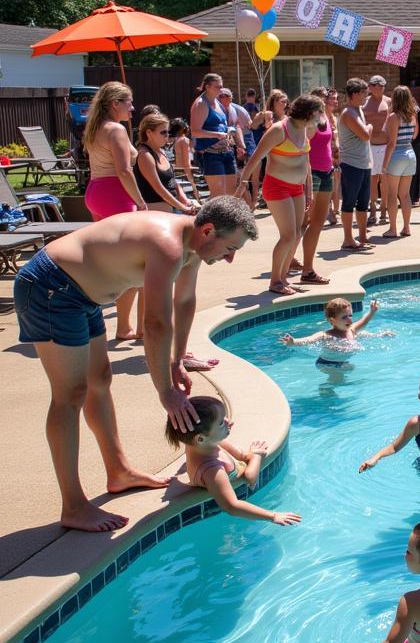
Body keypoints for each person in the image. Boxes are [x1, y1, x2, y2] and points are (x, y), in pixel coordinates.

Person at [12, 196, 257, 532]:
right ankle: (73, 505)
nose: (230, 258)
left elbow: (184, 301)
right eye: (230, 248)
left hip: (82, 294)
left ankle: (118, 471)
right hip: (51, 287)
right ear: (209, 230)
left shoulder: (193, 246)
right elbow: (155, 323)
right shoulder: (168, 244)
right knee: (70, 393)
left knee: (100, 379)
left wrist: (177, 360)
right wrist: (166, 392)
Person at [165, 395, 300, 526]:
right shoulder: (212, 472)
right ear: (200, 439)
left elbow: (242, 455)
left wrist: (248, 456)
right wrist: (272, 516)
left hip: (231, 464)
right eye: (220, 423)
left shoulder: (202, 445)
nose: (229, 422)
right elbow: (235, 502)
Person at [235, 92, 322, 296]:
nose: (320, 117)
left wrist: (308, 189)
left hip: (297, 188)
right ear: (308, 113)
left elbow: (305, 161)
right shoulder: (278, 130)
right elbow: (255, 158)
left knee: (297, 233)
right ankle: (275, 281)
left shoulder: (306, 129)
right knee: (288, 235)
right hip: (277, 187)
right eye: (318, 112)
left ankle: (283, 279)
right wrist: (244, 182)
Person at [81, 81, 148, 341]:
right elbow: (123, 170)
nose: (133, 107)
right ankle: (124, 327)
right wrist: (140, 201)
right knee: (130, 265)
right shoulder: (116, 130)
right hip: (115, 195)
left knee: (108, 263)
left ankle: (116, 325)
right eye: (128, 102)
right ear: (114, 104)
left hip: (95, 192)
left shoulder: (95, 127)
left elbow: (128, 156)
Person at [297, 87, 340, 284]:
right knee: (304, 221)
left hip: (327, 171)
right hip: (311, 173)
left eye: (327, 98)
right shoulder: (309, 120)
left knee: (318, 222)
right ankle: (290, 260)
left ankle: (308, 270)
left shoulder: (326, 118)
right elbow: (305, 144)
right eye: (322, 98)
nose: (327, 101)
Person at [281, 296, 391, 364]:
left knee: (349, 368)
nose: (349, 319)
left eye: (350, 315)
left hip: (341, 361)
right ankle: (325, 389)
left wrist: (372, 312)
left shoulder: (351, 330)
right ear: (332, 321)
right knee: (338, 379)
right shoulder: (326, 335)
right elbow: (310, 339)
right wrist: (294, 342)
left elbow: (364, 322)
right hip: (327, 363)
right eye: (344, 317)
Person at [337, 78, 375, 252]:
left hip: (364, 164)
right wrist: (370, 126)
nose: (366, 96)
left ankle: (362, 237)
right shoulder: (348, 113)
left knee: (363, 203)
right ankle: (348, 239)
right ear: (354, 94)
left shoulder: (358, 109)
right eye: (363, 93)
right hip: (351, 164)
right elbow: (365, 134)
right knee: (349, 202)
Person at [135, 112, 196, 216]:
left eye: (168, 132)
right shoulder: (145, 155)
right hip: (158, 214)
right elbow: (159, 188)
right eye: (163, 132)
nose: (167, 136)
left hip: (174, 207)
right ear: (149, 133)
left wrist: (185, 200)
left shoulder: (161, 151)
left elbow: (172, 181)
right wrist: (182, 208)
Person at [189, 73, 237, 198]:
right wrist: (217, 134)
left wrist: (229, 131)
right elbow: (194, 131)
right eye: (217, 87)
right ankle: (207, 217)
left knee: (231, 193)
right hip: (211, 154)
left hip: (227, 152)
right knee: (218, 195)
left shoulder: (217, 102)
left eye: (221, 86)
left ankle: (227, 217)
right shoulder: (201, 104)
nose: (220, 90)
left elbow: (223, 124)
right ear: (207, 86)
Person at [381, 85, 419, 238]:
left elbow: (391, 143)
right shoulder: (412, 116)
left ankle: (393, 229)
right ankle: (406, 227)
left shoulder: (393, 117)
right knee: (405, 195)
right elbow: (413, 136)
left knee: (392, 194)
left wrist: (384, 164)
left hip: (396, 156)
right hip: (410, 154)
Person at [250, 89, 290, 210]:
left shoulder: (286, 118)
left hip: (281, 152)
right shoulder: (265, 115)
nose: (285, 104)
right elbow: (253, 125)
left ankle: (271, 198)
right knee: (257, 177)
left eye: (286, 102)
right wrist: (262, 115)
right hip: (264, 151)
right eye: (282, 101)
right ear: (274, 102)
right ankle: (253, 202)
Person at [364, 74, 392, 226]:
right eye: (377, 85)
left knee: (384, 180)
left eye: (382, 85)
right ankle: (373, 210)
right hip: (369, 145)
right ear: (371, 87)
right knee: (372, 180)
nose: (381, 87)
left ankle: (384, 211)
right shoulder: (365, 102)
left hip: (385, 144)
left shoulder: (388, 101)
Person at [169, 117, 199, 200]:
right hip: (185, 174)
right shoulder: (184, 141)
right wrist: (192, 181)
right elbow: (186, 162)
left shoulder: (176, 141)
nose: (188, 127)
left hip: (178, 172)